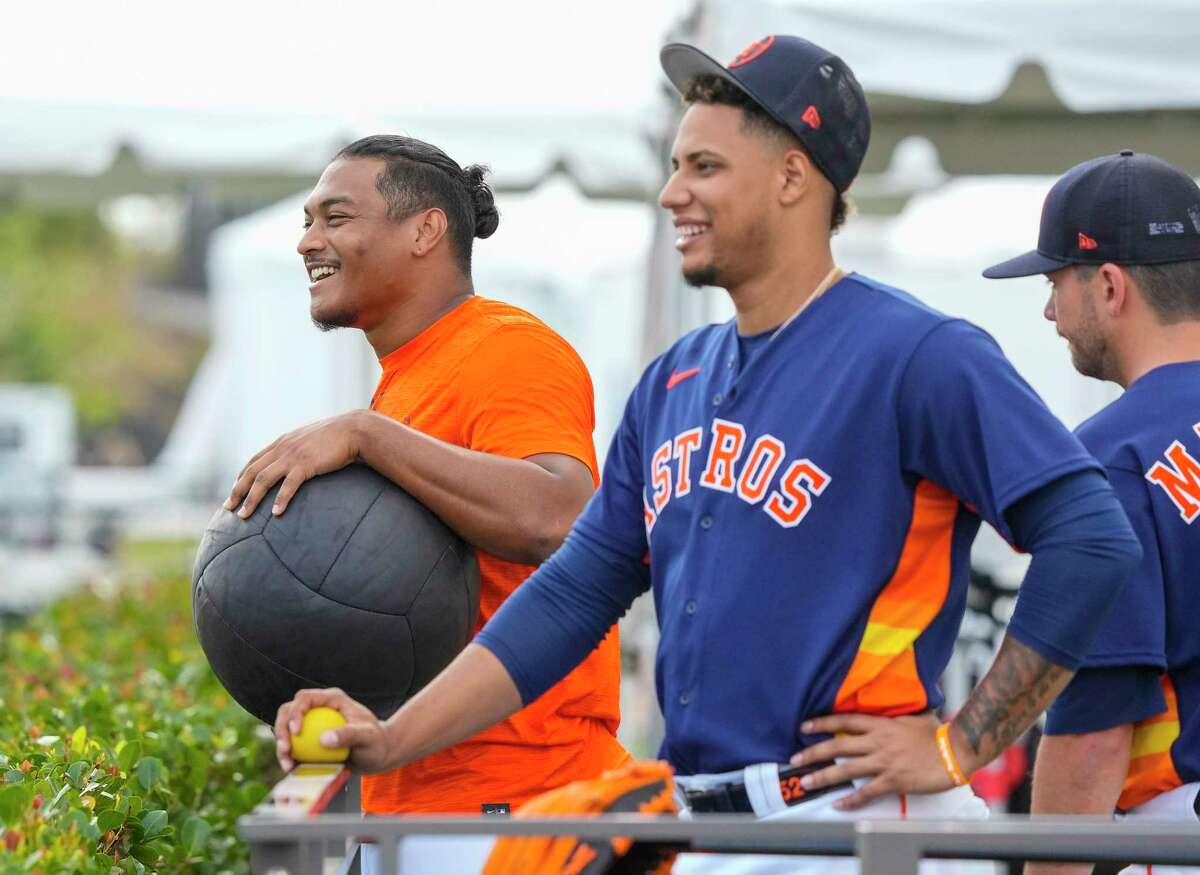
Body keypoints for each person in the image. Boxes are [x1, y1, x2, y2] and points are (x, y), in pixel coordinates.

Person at [274, 38, 1141, 874]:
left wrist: (964, 745)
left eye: (704, 168)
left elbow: (1091, 537)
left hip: (851, 822)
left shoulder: (917, 352)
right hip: (698, 818)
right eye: (676, 165)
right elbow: (574, 594)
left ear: (794, 175)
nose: (671, 193)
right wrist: (394, 737)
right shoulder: (672, 383)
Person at [224, 135, 629, 873]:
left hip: (515, 809)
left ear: (424, 231)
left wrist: (365, 434)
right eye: (308, 221)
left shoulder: (508, 351)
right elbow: (415, 607)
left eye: (335, 217)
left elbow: (560, 518)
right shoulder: (409, 378)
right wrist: (337, 688)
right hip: (419, 810)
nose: (307, 241)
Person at [984, 151, 1200, 875]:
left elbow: (1095, 729)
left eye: (1054, 283)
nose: (1049, 311)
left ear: (1109, 285)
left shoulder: (1112, 455)